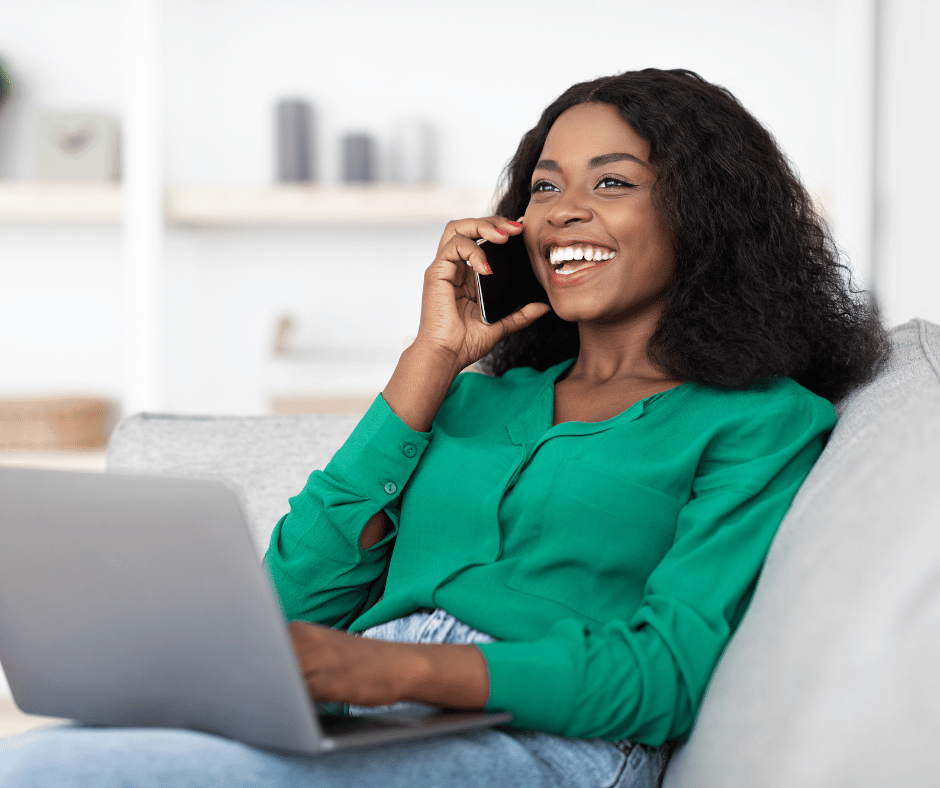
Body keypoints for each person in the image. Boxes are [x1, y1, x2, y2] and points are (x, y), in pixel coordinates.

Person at [0, 68, 888, 788]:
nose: (562, 211)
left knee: (79, 772)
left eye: (611, 182)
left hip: (550, 737)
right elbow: (286, 608)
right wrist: (428, 363)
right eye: (545, 187)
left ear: (706, 214)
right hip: (370, 716)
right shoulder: (472, 400)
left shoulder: (760, 419)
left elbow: (666, 674)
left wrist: (393, 673)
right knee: (52, 755)